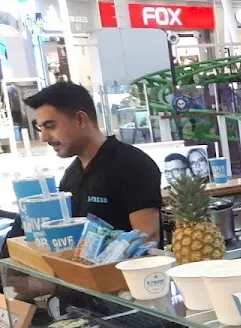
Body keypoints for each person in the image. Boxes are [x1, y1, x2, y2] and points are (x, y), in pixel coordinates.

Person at [24, 82, 162, 240]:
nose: (43, 137)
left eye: (50, 126)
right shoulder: (71, 176)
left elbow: (147, 237)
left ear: (81, 120)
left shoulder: (133, 165)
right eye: (40, 128)